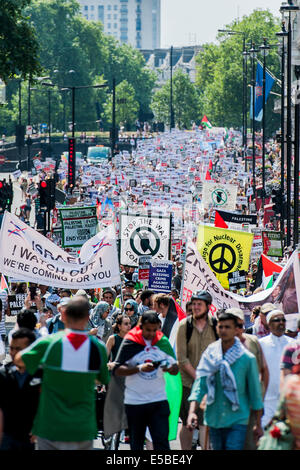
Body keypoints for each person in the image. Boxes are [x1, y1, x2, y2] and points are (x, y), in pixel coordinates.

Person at [14, 297, 110, 451]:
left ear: (63, 315)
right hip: (83, 428)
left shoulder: (49, 343)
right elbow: (103, 378)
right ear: (87, 318)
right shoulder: (98, 348)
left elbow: (19, 360)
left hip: (50, 427)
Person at [187, 312, 264, 451]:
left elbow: (255, 392)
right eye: (221, 327)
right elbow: (200, 384)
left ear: (236, 330)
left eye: (227, 327)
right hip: (214, 417)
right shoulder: (210, 353)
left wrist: (258, 424)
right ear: (217, 329)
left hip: (238, 418)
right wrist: (192, 411)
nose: (223, 330)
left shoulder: (247, 358)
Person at [113, 311, 179, 451]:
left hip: (158, 401)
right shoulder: (131, 341)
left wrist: (169, 367)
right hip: (135, 402)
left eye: (155, 330)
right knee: (136, 444)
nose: (152, 334)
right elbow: (118, 370)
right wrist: (139, 368)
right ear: (141, 326)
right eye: (148, 330)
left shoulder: (162, 341)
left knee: (161, 443)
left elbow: (175, 369)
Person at [176, 290, 218, 450]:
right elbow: (182, 358)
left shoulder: (215, 326)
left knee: (205, 424)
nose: (196, 307)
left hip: (210, 384)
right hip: (187, 384)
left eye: (199, 304)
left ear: (208, 306)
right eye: (194, 304)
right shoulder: (184, 326)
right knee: (188, 424)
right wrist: (198, 377)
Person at [225, 307, 269, 450]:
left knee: (249, 443)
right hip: (226, 404)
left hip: (250, 404)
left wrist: (261, 395)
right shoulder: (217, 344)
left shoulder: (253, 341)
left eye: (239, 324)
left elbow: (263, 370)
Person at [0, 328, 41, 450]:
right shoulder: (3, 374)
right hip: (7, 436)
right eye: (11, 348)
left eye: (18, 349)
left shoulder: (40, 375)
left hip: (32, 436)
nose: (13, 353)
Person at [259, 309, 295, 428]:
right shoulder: (261, 344)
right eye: (276, 320)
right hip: (268, 399)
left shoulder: (294, 344)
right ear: (269, 324)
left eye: (283, 320)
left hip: (290, 399)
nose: (281, 323)